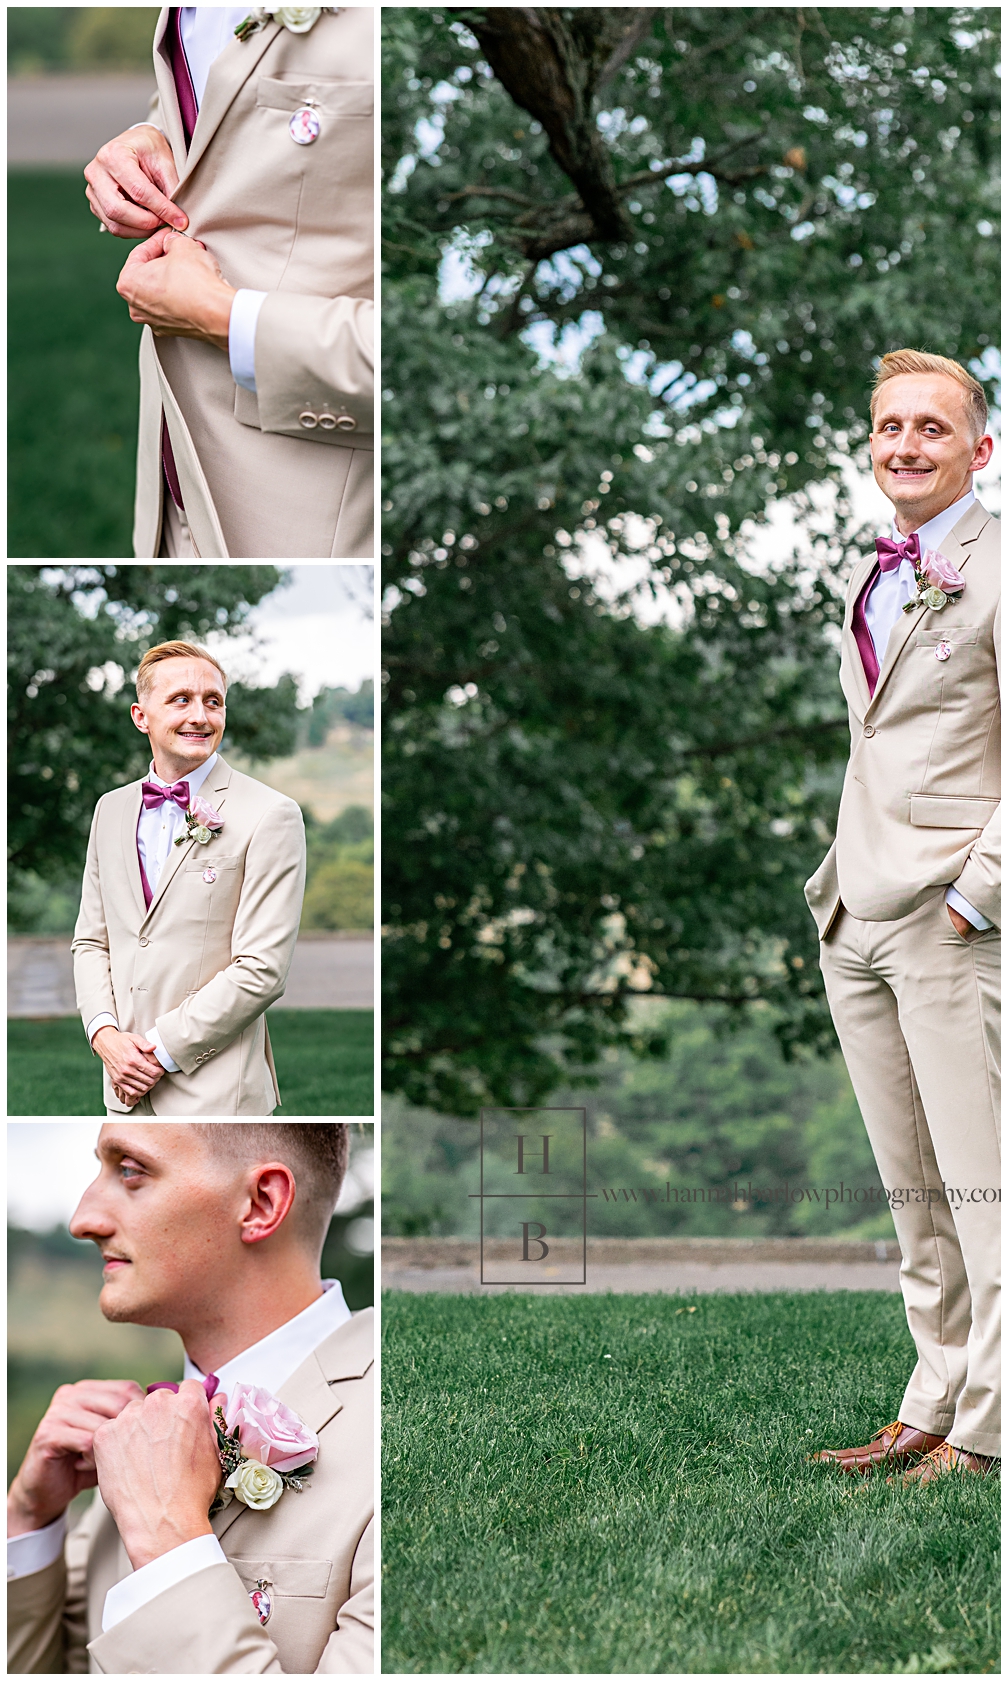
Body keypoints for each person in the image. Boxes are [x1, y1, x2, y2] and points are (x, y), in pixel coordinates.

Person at [806, 349, 1001, 1483]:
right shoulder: (874, 574)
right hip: (855, 914)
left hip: (949, 920)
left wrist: (975, 902)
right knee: (916, 1190)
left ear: (980, 447)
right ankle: (933, 1397)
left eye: (932, 427)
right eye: (888, 428)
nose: (905, 445)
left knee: (983, 1186)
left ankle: (992, 1432)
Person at [6, 1123, 373, 1673]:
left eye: (130, 1170)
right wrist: (27, 1523)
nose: (84, 1220)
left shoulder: (421, 1427)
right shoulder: (128, 1443)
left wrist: (168, 1542)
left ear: (259, 1203)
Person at [85, 6, 374, 558]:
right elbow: (215, 110)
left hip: (305, 522)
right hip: (171, 497)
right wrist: (148, 137)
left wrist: (225, 319)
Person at [73, 639, 306, 1115]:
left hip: (217, 1094)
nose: (200, 716)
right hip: (123, 1093)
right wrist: (104, 1034)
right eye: (181, 699)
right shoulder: (110, 809)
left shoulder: (271, 814)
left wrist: (159, 1051)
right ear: (141, 717)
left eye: (213, 702)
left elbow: (263, 968)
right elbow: (92, 941)